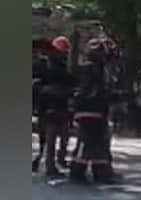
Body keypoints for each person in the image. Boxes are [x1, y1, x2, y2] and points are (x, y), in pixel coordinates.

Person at [68, 37, 117, 184]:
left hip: (92, 111)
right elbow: (98, 92)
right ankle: (79, 172)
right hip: (91, 110)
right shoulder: (96, 70)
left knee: (96, 142)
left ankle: (99, 171)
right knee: (88, 142)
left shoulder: (89, 68)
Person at [33, 36, 75, 177]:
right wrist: (46, 90)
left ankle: (58, 160)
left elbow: (70, 85)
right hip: (47, 106)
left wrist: (68, 93)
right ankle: (48, 166)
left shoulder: (63, 67)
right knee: (49, 138)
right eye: (61, 51)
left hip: (60, 105)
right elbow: (35, 84)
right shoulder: (43, 65)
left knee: (63, 135)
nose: (63, 54)